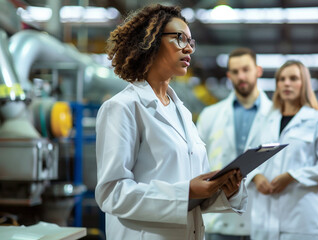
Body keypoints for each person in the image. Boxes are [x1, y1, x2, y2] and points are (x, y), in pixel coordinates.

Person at [94, 4, 247, 240]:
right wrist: (185, 192)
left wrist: (225, 190)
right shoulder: (123, 107)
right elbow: (112, 193)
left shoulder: (182, 113)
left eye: (191, 41)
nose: (188, 48)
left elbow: (196, 193)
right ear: (151, 42)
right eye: (179, 38)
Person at [251, 60, 318, 240]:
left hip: (301, 218)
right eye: (282, 79)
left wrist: (292, 176)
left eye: (293, 78)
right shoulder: (263, 120)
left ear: (304, 84)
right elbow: (250, 157)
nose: (286, 83)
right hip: (265, 218)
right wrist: (256, 176)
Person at [197, 47, 272, 240]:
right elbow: (198, 163)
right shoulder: (209, 115)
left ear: (258, 70)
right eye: (235, 72)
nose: (241, 76)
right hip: (219, 221)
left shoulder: (277, 115)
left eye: (246, 69)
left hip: (264, 220)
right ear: (229, 76)